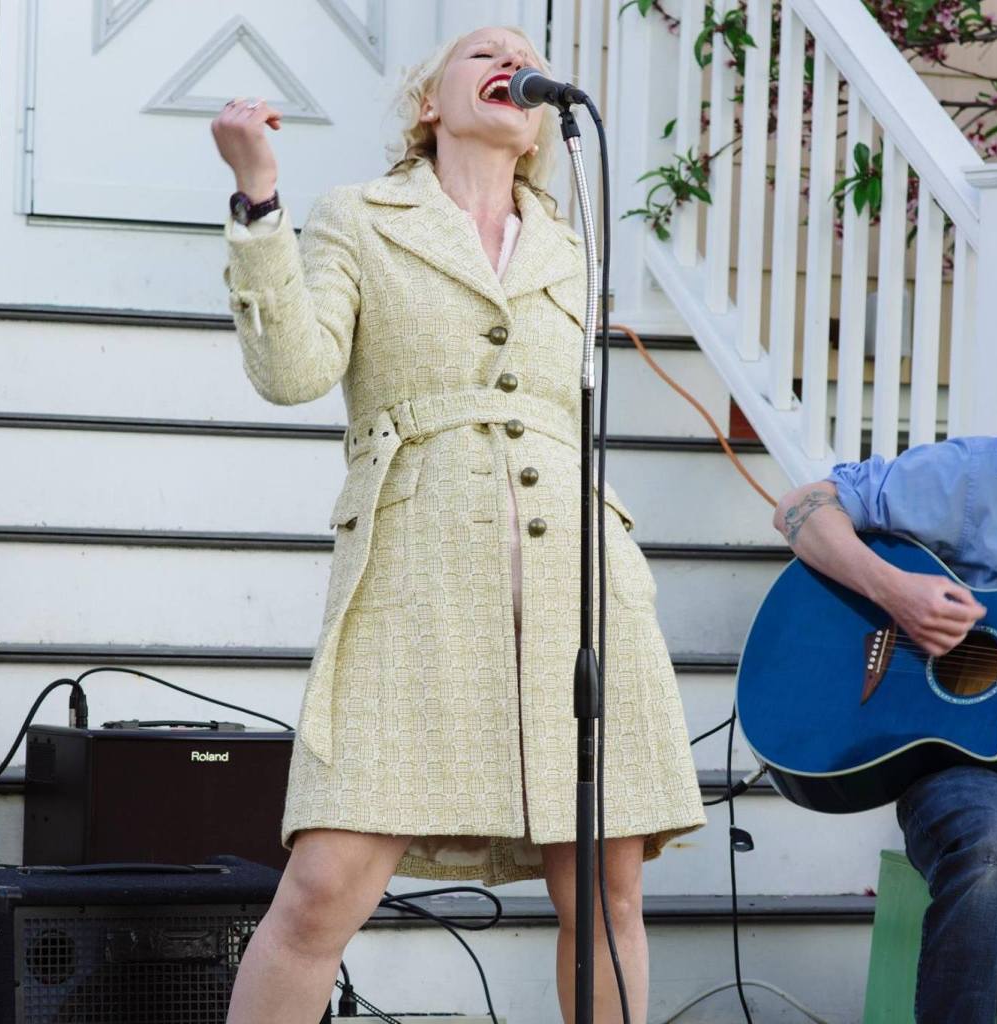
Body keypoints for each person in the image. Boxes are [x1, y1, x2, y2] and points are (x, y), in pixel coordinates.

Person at [211, 25, 705, 1024]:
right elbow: (291, 370)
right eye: (479, 49)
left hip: (575, 578)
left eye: (519, 53)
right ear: (429, 103)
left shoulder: (570, 246)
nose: (505, 59)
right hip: (416, 569)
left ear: (534, 131)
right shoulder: (359, 214)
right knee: (321, 888)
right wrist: (258, 196)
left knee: (606, 895)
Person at [773, 431, 997, 1024]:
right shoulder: (976, 474)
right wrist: (896, 591)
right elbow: (801, 508)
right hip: (967, 772)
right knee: (993, 850)